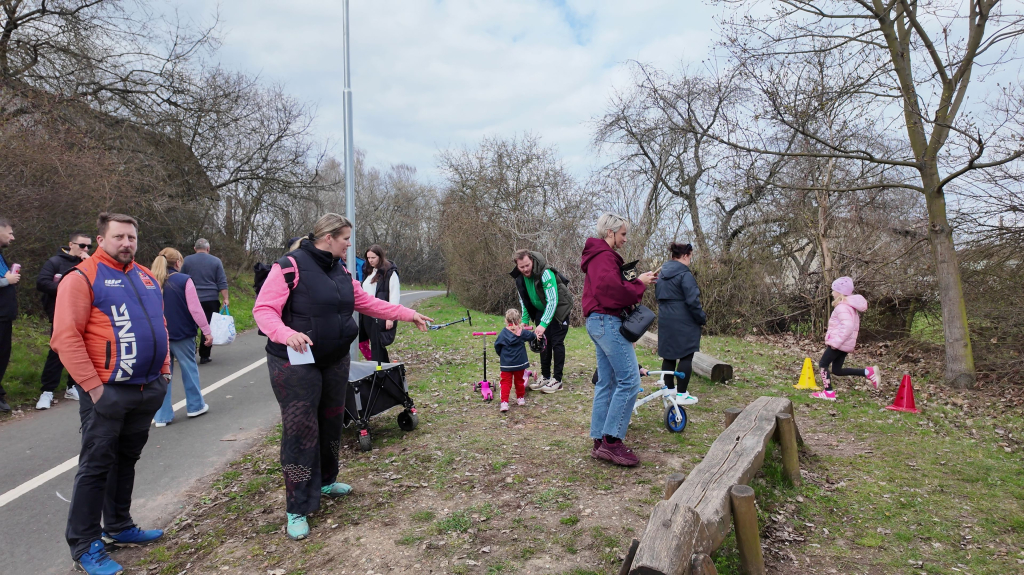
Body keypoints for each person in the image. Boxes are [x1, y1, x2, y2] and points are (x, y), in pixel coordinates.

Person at [253, 213, 432, 541]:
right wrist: (284, 333)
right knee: (300, 430)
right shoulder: (289, 266)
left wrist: (408, 314)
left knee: (332, 420)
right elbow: (263, 310)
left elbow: (366, 302)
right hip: (294, 364)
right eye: (346, 238)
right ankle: (297, 506)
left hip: (334, 360)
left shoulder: (341, 270)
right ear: (329, 237)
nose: (351, 245)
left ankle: (325, 481)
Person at [51, 212, 170, 575]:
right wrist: (94, 388)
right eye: (118, 237)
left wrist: (164, 373)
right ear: (101, 240)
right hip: (107, 391)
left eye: (131, 237)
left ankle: (119, 525)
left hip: (147, 388)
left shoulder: (147, 277)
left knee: (126, 460)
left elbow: (160, 324)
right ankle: (85, 545)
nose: (126, 243)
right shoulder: (81, 278)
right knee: (96, 466)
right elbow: (65, 338)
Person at [581, 212, 656, 467]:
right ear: (610, 233)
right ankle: (612, 442)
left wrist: (635, 280)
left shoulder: (600, 256)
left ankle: (600, 442)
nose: (625, 239)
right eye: (623, 234)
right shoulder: (603, 257)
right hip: (607, 321)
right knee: (630, 380)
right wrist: (640, 284)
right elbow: (612, 293)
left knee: (607, 382)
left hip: (599, 322)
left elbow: (610, 287)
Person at [151, 248, 213, 426]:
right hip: (181, 332)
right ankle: (195, 406)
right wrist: (206, 331)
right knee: (189, 368)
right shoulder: (184, 280)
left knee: (162, 374)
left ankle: (162, 415)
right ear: (178, 262)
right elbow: (195, 309)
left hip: (158, 335)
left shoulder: (150, 281)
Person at [35, 231, 92, 409]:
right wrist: (66, 288)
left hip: (83, 313)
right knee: (58, 351)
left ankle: (72, 386)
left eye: (89, 246)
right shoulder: (55, 262)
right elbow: (42, 283)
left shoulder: (87, 264)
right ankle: (47, 391)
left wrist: (89, 263)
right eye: (82, 246)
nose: (85, 249)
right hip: (60, 313)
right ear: (71, 245)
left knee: (81, 351)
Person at [510, 249, 573, 394]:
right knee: (542, 342)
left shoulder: (546, 273)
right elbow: (524, 300)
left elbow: (552, 301)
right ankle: (545, 377)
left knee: (556, 342)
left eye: (527, 265)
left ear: (531, 261)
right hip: (540, 309)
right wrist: (525, 320)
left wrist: (543, 324)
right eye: (522, 267)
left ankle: (557, 380)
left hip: (559, 309)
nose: (525, 269)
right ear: (517, 266)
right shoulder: (519, 278)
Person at [655, 242, 706, 406]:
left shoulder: (662, 273)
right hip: (684, 318)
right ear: (685, 256)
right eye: (690, 256)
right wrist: (701, 317)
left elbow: (658, 295)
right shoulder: (685, 274)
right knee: (686, 355)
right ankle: (682, 394)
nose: (691, 260)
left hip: (665, 317)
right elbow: (693, 300)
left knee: (668, 354)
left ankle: (669, 391)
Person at [813, 277, 880, 401]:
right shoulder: (849, 307)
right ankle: (867, 372)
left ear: (839, 292)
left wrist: (836, 343)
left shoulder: (842, 307)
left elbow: (848, 326)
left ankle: (828, 393)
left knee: (823, 364)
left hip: (838, 344)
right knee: (837, 370)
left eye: (833, 290)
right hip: (844, 344)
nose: (832, 293)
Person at [180, 238, 228, 365]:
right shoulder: (216, 261)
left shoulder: (186, 260)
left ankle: (189, 352)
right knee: (207, 328)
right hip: (210, 299)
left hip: (190, 299)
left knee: (190, 326)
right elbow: (221, 282)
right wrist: (225, 298)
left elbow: (180, 279)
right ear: (208, 249)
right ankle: (205, 356)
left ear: (195, 249)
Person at [358, 244, 400, 363]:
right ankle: (379, 370)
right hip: (366, 315)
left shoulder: (390, 272)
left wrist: (390, 317)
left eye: (373, 257)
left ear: (380, 257)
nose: (370, 260)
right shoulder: (369, 272)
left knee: (378, 345)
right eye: (368, 258)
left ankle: (382, 372)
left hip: (380, 314)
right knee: (371, 343)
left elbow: (394, 296)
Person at [493, 309, 537, 412]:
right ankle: (520, 398)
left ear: (506, 320)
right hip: (519, 363)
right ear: (519, 320)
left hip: (506, 364)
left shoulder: (503, 333)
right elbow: (532, 336)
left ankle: (504, 403)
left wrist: (502, 355)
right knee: (519, 381)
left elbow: (497, 345)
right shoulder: (522, 332)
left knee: (505, 383)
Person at [0, 217, 18, 413]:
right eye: (10, 233)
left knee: (3, 356)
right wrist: (7, 281)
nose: (12, 237)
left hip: (5, 315)